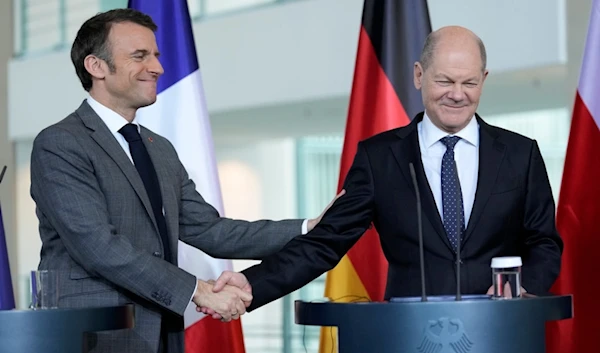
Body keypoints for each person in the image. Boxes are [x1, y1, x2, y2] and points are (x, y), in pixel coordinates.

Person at [29, 9, 340, 353]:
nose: (158, 68)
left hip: (162, 330)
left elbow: (211, 230)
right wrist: (198, 290)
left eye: (157, 56)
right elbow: (99, 247)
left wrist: (310, 226)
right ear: (96, 66)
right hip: (97, 332)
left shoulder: (158, 148)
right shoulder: (60, 143)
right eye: (140, 56)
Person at [209, 26, 564, 313]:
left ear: (484, 79)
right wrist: (253, 283)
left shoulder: (521, 154)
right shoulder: (380, 157)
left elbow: (544, 242)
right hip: (410, 332)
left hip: (501, 330)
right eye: (444, 81)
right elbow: (325, 243)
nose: (457, 94)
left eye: (469, 83)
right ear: (418, 75)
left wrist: (523, 289)